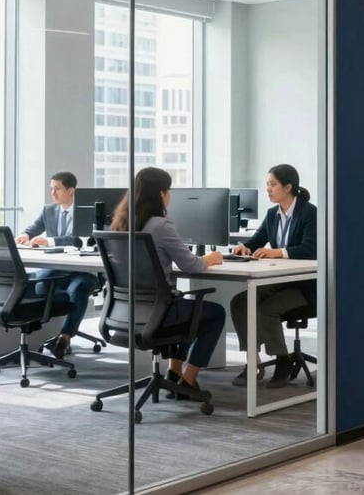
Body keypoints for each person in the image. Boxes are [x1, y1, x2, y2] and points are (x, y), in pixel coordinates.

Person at [110, 167, 226, 392]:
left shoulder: (120, 224)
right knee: (214, 313)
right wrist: (211, 258)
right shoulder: (161, 225)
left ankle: (174, 371)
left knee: (184, 306)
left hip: (127, 312)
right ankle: (189, 380)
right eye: (169, 191)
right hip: (160, 313)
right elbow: (191, 265)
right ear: (162, 194)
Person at [230, 164, 317, 388]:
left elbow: (311, 249)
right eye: (267, 184)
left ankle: (282, 360)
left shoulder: (309, 213)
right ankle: (253, 363)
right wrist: (244, 248)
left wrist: (279, 252)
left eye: (272, 184)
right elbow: (256, 241)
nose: (268, 189)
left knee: (267, 308)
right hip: (278, 282)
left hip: (304, 286)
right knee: (240, 302)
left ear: (288, 187)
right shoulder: (272, 214)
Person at [15, 171, 100, 360]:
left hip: (83, 269)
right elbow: (34, 228)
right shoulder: (49, 210)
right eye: (51, 189)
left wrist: (50, 241)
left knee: (78, 289)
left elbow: (78, 240)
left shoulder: (86, 211)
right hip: (58, 267)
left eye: (57, 189)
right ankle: (40, 325)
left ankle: (65, 336)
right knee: (41, 284)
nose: (53, 193)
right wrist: (25, 235)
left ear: (71, 191)